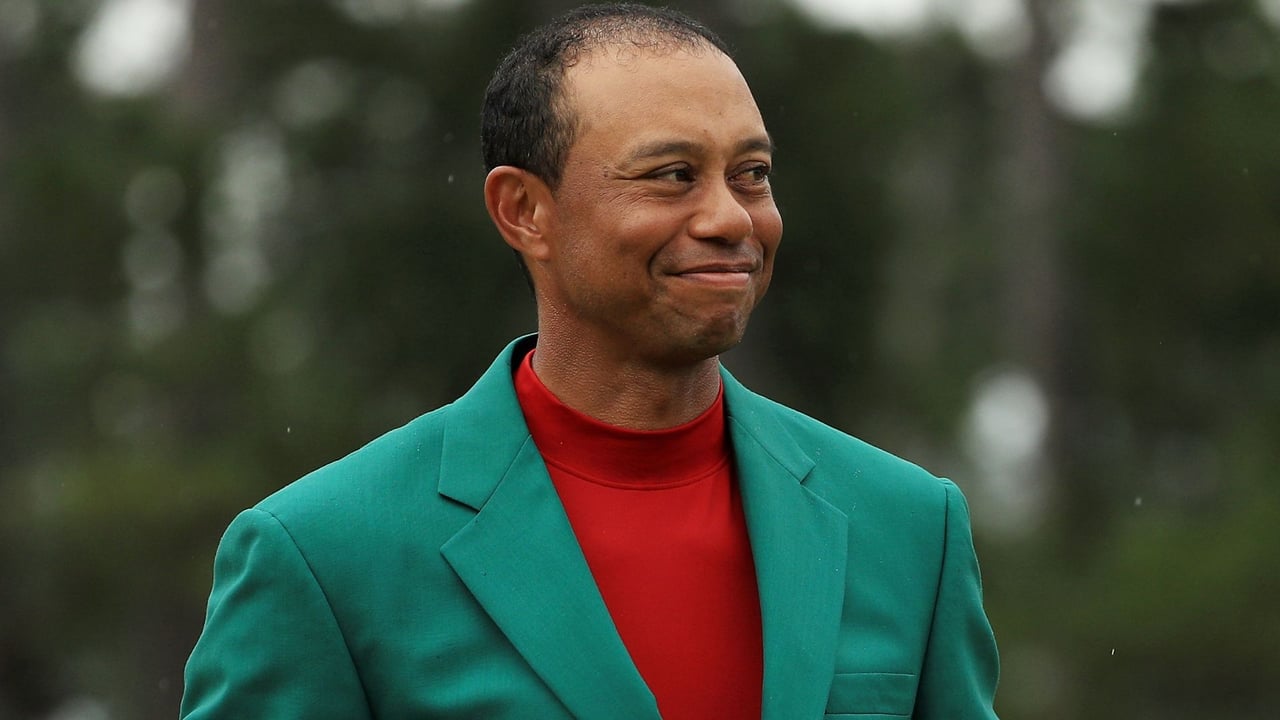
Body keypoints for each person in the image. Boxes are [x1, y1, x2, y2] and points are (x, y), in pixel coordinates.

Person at [179, 4, 1000, 719]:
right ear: (524, 211)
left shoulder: (909, 528)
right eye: (672, 175)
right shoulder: (324, 556)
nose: (729, 218)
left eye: (750, 175)